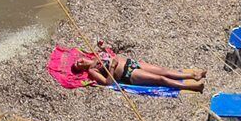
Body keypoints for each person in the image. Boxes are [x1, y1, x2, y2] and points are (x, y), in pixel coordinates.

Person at [72, 46, 206, 91]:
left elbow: (110, 52)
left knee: (163, 71)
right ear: (81, 69)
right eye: (77, 65)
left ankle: (193, 76)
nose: (79, 61)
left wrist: (103, 46)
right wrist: (112, 67)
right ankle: (193, 87)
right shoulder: (92, 71)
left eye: (77, 60)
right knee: (160, 79)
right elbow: (108, 83)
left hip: (132, 63)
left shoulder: (95, 54)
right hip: (127, 74)